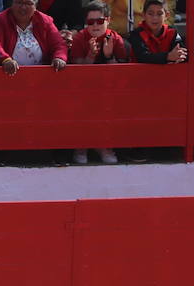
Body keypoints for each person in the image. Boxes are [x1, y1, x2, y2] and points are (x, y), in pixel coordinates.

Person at [68, 0, 125, 165]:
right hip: (83, 90)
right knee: (82, 105)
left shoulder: (116, 38)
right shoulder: (80, 38)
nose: (95, 25)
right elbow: (78, 73)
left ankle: (104, 146)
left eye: (99, 21)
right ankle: (81, 147)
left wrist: (108, 56)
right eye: (90, 22)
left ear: (108, 20)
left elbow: (121, 74)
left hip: (109, 89)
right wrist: (91, 56)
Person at [0, 0, 68, 75]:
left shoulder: (45, 21)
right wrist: (6, 60)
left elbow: (59, 45)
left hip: (41, 76)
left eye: (28, 3)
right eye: (19, 2)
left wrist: (59, 58)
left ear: (35, 6)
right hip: (9, 74)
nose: (23, 7)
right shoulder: (0, 20)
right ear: (12, 4)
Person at [127, 0, 186, 64]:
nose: (155, 18)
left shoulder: (172, 33)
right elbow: (143, 57)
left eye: (159, 14)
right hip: (140, 73)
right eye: (150, 14)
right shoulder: (136, 34)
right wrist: (168, 56)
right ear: (143, 15)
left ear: (166, 15)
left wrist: (180, 56)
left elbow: (183, 52)